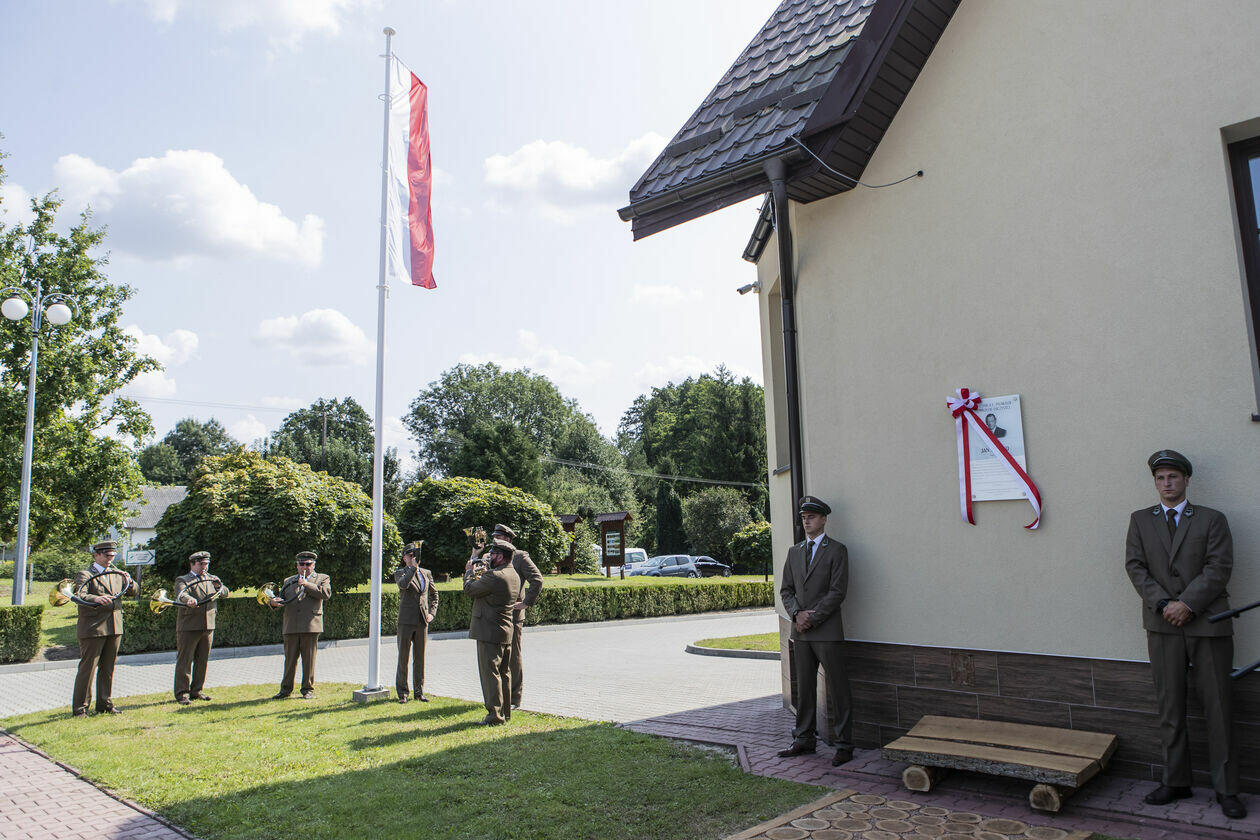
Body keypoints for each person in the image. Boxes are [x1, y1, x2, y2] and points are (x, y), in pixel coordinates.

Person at [1124, 450, 1244, 819]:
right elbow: (1135, 567)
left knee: (1219, 707)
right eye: (1160, 478)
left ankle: (1227, 789)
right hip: (1162, 624)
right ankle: (1175, 781)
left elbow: (1219, 566)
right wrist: (1165, 604)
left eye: (1173, 476)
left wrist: (1187, 603)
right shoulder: (1140, 520)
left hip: (1208, 624)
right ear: (1155, 482)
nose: (1167, 483)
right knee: (1170, 707)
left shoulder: (1212, 519)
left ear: (1186, 480)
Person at [776, 496, 854, 766]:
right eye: (803, 517)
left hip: (827, 631)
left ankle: (844, 745)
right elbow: (786, 590)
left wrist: (812, 617)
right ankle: (804, 739)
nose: (806, 521)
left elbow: (837, 591)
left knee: (839, 688)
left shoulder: (837, 550)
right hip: (801, 632)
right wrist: (797, 614)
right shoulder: (794, 552)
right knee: (805, 688)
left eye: (811, 517)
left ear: (823, 519)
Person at [71, 540, 135, 717]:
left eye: (112, 555)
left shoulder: (116, 573)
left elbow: (133, 591)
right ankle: (80, 708)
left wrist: (129, 582)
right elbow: (79, 594)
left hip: (114, 626)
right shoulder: (85, 574)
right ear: (96, 555)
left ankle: (104, 704)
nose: (110, 559)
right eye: (107, 555)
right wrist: (95, 598)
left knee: (108, 668)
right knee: (88, 669)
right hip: (93, 628)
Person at [464, 536, 521, 725]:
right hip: (504, 630)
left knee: (490, 674)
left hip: (489, 630)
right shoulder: (513, 574)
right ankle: (505, 712)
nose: (490, 557)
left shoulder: (495, 576)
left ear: (502, 557)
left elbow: (470, 589)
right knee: (504, 673)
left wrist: (469, 571)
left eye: (493, 554)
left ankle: (494, 715)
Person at [490, 523, 544, 709]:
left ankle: (514, 698)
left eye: (499, 538)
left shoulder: (520, 556)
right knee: (495, 658)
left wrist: (526, 602)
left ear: (508, 539)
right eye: (494, 538)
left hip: (513, 615)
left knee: (513, 657)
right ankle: (499, 696)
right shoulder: (491, 555)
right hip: (495, 614)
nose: (495, 541)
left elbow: (537, 579)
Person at [271, 550, 332, 700]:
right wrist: (273, 602)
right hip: (291, 624)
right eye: (302, 564)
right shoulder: (289, 580)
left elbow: (325, 594)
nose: (305, 567)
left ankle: (307, 689)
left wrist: (307, 584)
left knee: (308, 660)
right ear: (297, 566)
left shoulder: (322, 578)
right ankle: (285, 690)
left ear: (313, 565)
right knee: (289, 660)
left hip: (311, 625)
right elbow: (282, 598)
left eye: (308, 564)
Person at [172, 550, 229, 705]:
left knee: (202, 660)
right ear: (192, 564)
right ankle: (182, 693)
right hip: (189, 625)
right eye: (201, 564)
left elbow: (225, 593)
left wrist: (219, 586)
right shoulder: (184, 579)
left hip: (208, 625)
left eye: (206, 564)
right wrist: (189, 599)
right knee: (185, 660)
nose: (205, 567)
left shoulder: (211, 579)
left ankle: (197, 690)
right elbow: (181, 594)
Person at [395, 540, 439, 703]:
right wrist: (413, 568)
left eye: (415, 555)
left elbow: (434, 594)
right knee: (403, 658)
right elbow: (403, 585)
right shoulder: (400, 573)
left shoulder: (426, 573)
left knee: (419, 658)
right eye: (410, 555)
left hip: (422, 621)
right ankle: (403, 693)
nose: (413, 557)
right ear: (404, 558)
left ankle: (419, 692)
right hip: (406, 621)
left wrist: (432, 613)